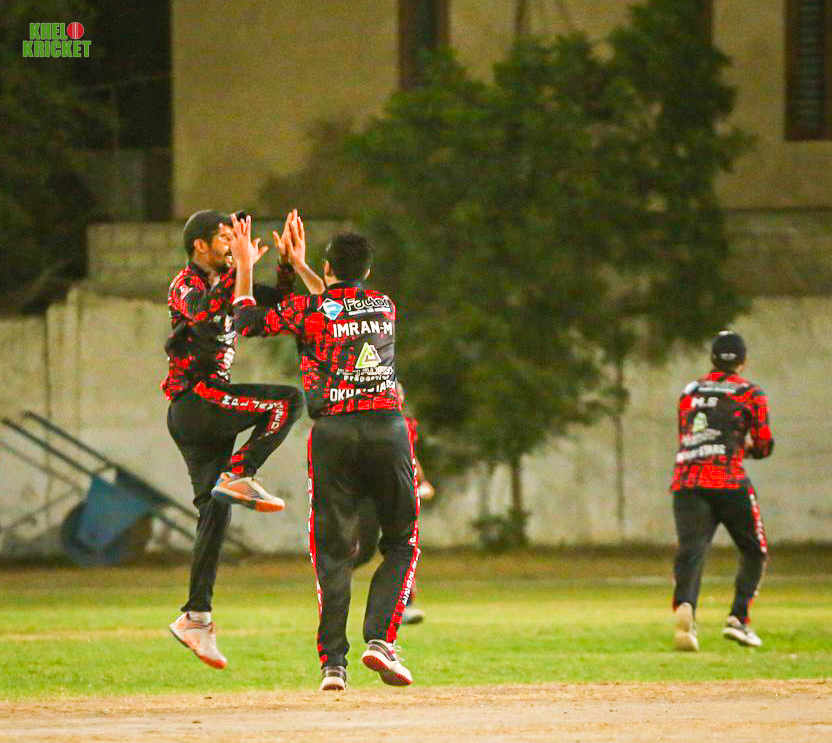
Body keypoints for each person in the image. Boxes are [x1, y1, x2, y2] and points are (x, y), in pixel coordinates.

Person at [229, 213, 419, 692]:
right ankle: (381, 640)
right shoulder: (384, 305)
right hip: (388, 430)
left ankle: (334, 665)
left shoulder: (310, 310)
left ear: (328, 267)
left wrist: (247, 267)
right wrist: (302, 267)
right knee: (401, 542)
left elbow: (246, 320)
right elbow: (341, 304)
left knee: (333, 551)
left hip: (334, 433)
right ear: (367, 271)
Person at [163, 209, 303, 669]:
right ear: (200, 246)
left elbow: (277, 307)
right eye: (224, 238)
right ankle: (241, 472)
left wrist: (287, 264)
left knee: (215, 511)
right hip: (196, 402)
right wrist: (241, 267)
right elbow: (206, 313)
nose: (231, 244)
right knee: (287, 402)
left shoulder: (232, 277)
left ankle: (196, 617)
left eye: (234, 237)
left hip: (208, 408)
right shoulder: (184, 284)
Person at [670, 331, 774, 651]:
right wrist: (746, 449)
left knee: (692, 550)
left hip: (688, 481)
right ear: (743, 361)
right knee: (754, 550)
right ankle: (738, 618)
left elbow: (686, 435)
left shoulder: (690, 391)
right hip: (728, 480)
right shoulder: (750, 393)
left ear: (712, 359)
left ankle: (686, 606)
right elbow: (763, 443)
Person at [352, 382, 434, 625]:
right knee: (365, 552)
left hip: (395, 495)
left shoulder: (405, 424)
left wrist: (422, 481)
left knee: (402, 548)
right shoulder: (363, 424)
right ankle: (335, 578)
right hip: (368, 495)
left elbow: (410, 457)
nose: (395, 399)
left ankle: (404, 606)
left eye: (398, 394)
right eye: (391, 394)